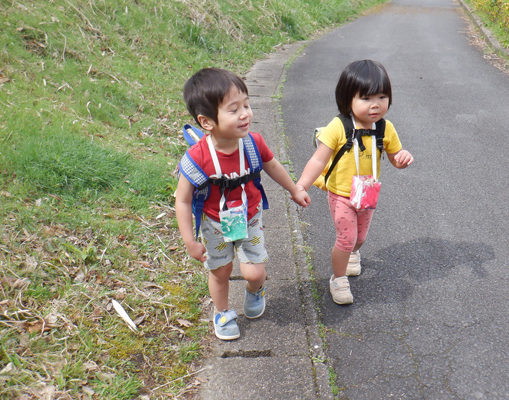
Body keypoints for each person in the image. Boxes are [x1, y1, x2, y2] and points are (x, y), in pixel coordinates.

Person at [175, 68, 311, 340]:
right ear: (206, 121)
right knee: (220, 271)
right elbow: (183, 199)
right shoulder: (197, 157)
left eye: (247, 105)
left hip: (248, 217)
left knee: (255, 272)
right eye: (234, 109)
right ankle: (223, 312)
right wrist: (190, 240)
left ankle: (255, 290)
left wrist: (294, 189)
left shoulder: (252, 143)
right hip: (215, 223)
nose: (246, 113)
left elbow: (272, 165)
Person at [296, 59, 413, 305]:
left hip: (367, 194)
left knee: (360, 238)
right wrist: (301, 186)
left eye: (382, 97)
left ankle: (352, 255)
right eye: (366, 98)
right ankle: (338, 279)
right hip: (341, 194)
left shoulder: (385, 128)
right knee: (346, 238)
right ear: (347, 99)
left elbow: (394, 157)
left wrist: (402, 159)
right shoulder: (338, 127)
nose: (375, 105)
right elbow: (318, 160)